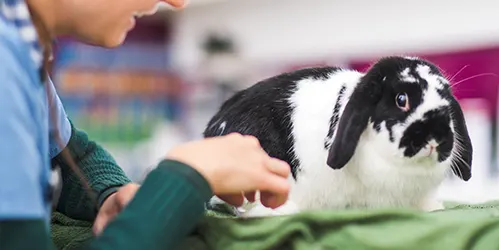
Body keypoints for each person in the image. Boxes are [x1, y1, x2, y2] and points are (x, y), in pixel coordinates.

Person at [0, 0, 293, 248]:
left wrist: (111, 193)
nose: (177, 2)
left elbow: (68, 156)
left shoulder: (23, 50)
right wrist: (187, 177)